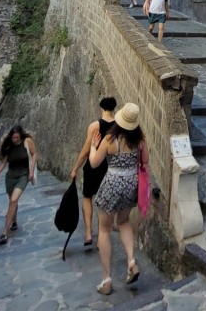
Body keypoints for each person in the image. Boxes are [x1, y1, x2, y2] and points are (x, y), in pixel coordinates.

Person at [89, 103, 148, 295]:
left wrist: (92, 147)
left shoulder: (109, 140)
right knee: (123, 222)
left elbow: (94, 163)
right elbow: (145, 160)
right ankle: (131, 260)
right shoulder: (139, 139)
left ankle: (107, 280)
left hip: (112, 184)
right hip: (131, 184)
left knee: (104, 230)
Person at [69, 96, 117, 248]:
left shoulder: (94, 126)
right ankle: (101, 239)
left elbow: (85, 150)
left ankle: (89, 233)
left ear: (101, 108)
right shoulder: (119, 126)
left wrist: (75, 168)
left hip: (93, 166)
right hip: (110, 168)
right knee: (105, 204)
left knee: (87, 197)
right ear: (114, 108)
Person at [0, 125, 36, 245]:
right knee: (12, 201)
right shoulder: (9, 145)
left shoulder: (27, 141)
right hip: (11, 176)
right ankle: (14, 221)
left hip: (23, 175)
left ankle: (4, 233)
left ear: (20, 136)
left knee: (13, 200)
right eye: (13, 138)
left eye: (17, 137)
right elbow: (4, 161)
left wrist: (31, 171)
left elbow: (34, 154)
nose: (15, 140)